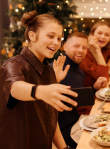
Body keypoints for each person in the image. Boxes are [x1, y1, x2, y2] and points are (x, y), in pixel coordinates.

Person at [0, 11, 77, 149]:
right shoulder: (14, 64)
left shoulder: (48, 70)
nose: (56, 42)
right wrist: (40, 90)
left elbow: (50, 119)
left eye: (59, 38)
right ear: (32, 36)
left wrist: (64, 148)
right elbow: (15, 88)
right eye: (50, 36)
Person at [53, 32, 107, 148]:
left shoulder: (79, 72)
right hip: (64, 132)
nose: (81, 50)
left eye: (84, 47)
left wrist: (94, 88)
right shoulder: (56, 70)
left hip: (78, 121)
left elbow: (76, 97)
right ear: (65, 47)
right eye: (76, 46)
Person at [80, 21, 110, 88]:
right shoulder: (84, 53)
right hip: (89, 91)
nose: (103, 37)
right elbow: (104, 78)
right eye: (99, 33)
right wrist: (97, 51)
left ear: (109, 39)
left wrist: (109, 64)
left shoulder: (104, 47)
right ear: (92, 34)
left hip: (100, 88)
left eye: (107, 35)